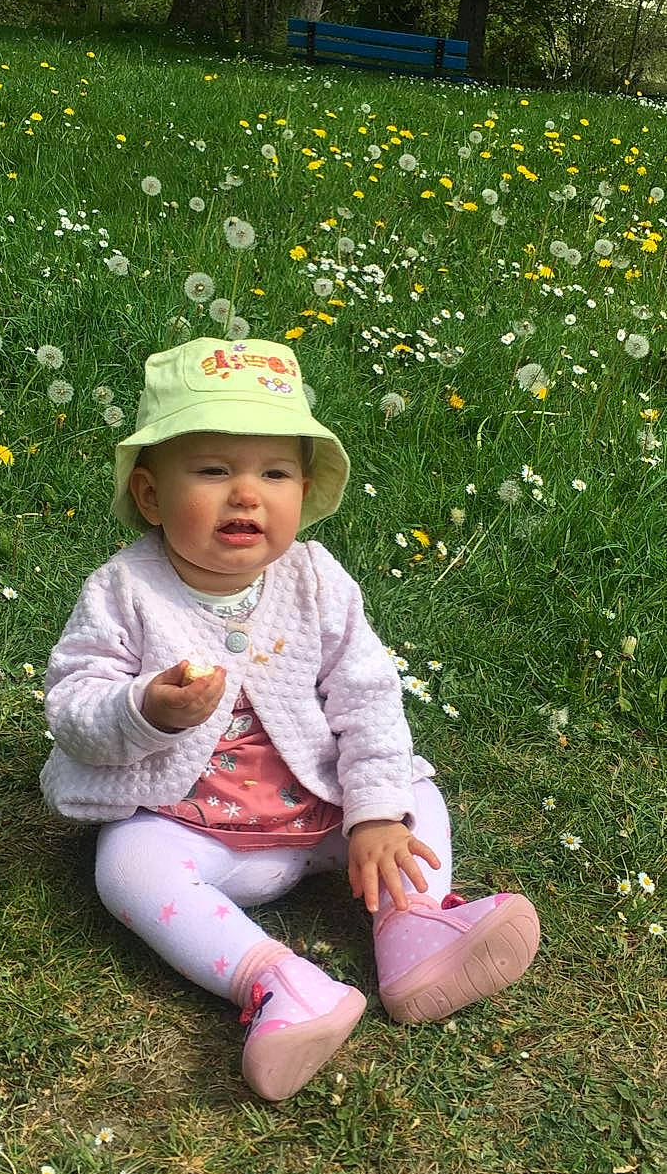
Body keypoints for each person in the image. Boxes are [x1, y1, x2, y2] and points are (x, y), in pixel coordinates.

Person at [40, 336, 540, 1102]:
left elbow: (367, 695)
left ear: (304, 493)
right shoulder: (122, 591)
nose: (247, 494)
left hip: (325, 816)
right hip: (190, 823)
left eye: (274, 473)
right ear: (148, 494)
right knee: (125, 868)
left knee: (414, 791)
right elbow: (73, 708)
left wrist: (374, 813)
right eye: (213, 471)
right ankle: (278, 984)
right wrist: (147, 709)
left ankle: (413, 929)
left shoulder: (316, 580)